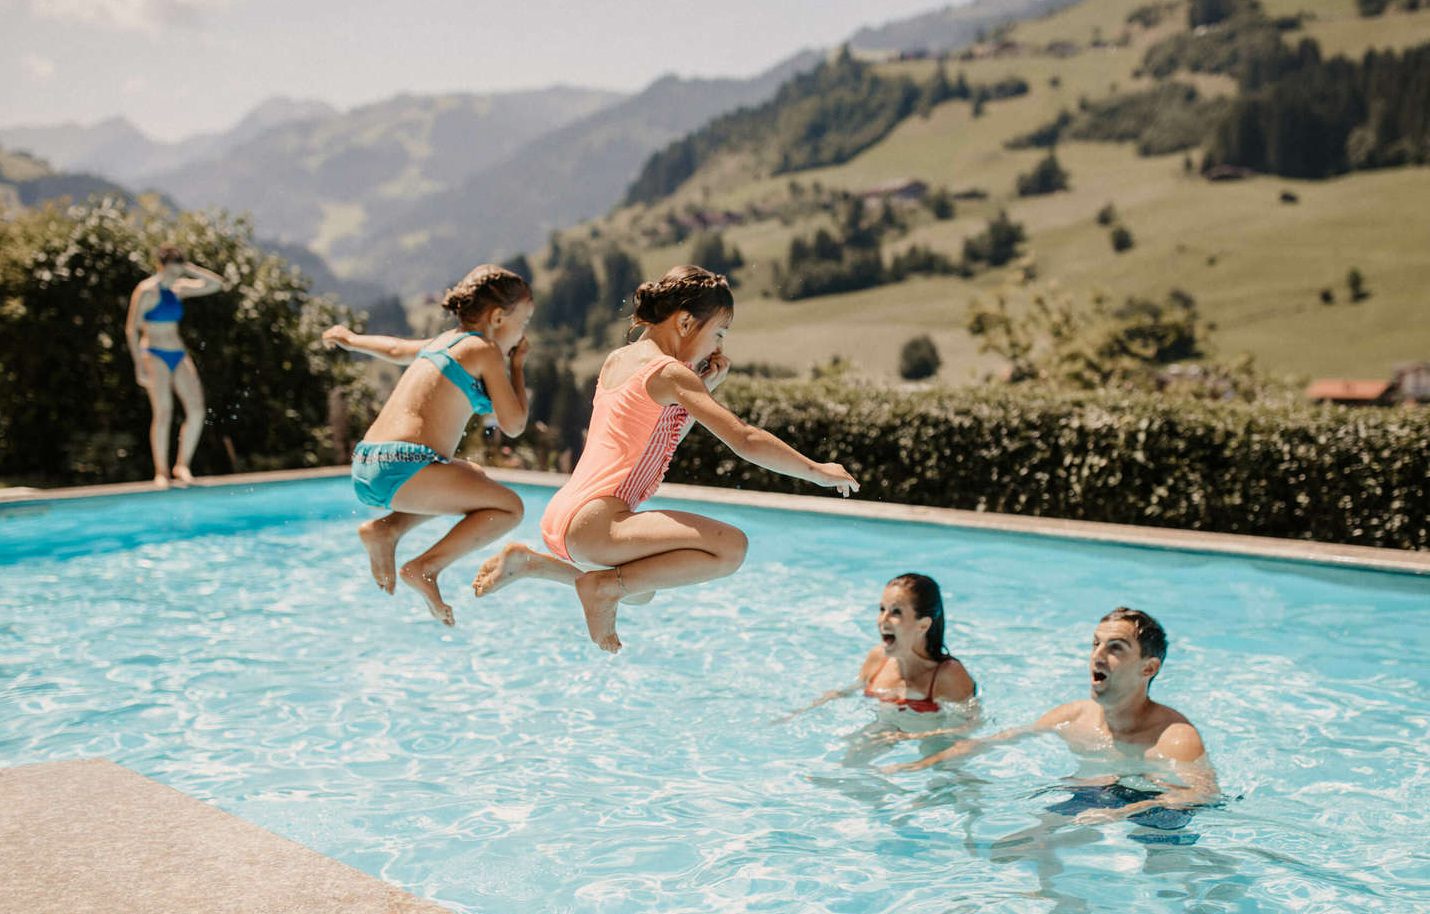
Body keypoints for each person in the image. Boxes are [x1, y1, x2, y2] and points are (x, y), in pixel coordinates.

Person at [473, 264, 859, 653]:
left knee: (642, 588)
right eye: (718, 333)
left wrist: (703, 388)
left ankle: (531, 563)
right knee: (730, 548)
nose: (718, 348)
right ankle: (601, 587)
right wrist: (816, 471)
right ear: (686, 321)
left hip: (567, 517)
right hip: (596, 521)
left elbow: (657, 436)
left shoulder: (619, 360)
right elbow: (743, 438)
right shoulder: (671, 373)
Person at [321, 264, 532, 626]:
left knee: (475, 476)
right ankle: (426, 567)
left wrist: (351, 339)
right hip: (406, 467)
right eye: (523, 323)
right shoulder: (484, 350)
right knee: (510, 509)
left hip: (370, 461)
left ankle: (387, 529)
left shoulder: (442, 342)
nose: (522, 335)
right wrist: (517, 367)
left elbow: (394, 347)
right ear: (498, 317)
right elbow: (514, 424)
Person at [880, 607, 1216, 825]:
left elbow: (1202, 796)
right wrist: (921, 763)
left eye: (1115, 648)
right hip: (1096, 797)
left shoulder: (1174, 737)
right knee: (1023, 841)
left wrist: (1122, 812)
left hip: (1156, 809)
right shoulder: (1073, 717)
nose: (1097, 656)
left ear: (1149, 667)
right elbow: (996, 741)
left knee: (1165, 865)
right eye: (1095, 644)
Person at [780, 574, 976, 722]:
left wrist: (910, 739)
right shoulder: (877, 658)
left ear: (923, 625)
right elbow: (847, 691)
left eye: (896, 612)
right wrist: (795, 715)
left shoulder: (948, 674)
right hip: (884, 731)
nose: (882, 620)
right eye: (882, 609)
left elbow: (969, 727)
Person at [125, 244, 229, 488]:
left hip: (178, 352)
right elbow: (131, 329)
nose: (174, 276)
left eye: (177, 271)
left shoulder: (178, 287)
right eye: (170, 271)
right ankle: (161, 471)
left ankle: (182, 465)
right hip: (153, 352)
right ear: (160, 266)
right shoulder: (146, 290)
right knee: (163, 411)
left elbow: (217, 284)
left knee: (197, 410)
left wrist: (189, 269)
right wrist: (138, 364)